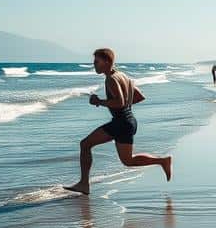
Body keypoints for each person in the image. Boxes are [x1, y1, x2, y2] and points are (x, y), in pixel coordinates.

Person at [64, 48, 172, 195]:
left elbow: (120, 102)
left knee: (85, 144)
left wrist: (99, 101)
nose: (94, 65)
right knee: (128, 160)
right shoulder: (123, 76)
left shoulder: (111, 79)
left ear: (107, 62)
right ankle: (162, 161)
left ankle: (84, 184)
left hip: (121, 123)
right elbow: (139, 97)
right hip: (128, 121)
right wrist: (124, 109)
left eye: (97, 61)